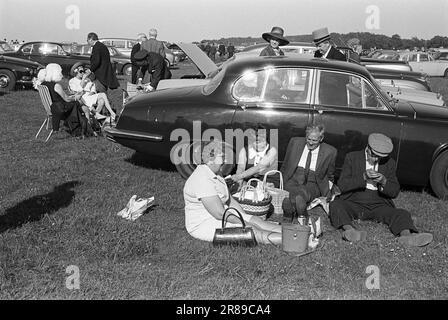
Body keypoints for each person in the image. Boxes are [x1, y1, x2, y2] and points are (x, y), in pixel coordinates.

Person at [329, 133, 433, 247]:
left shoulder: (389, 163)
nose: (376, 159)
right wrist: (363, 177)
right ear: (368, 148)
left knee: (402, 213)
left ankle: (407, 237)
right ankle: (350, 231)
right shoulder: (352, 157)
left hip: (379, 204)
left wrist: (384, 181)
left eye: (380, 157)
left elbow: (394, 192)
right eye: (374, 155)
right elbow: (342, 185)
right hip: (354, 201)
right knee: (336, 205)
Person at [183, 140, 282, 244]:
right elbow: (219, 214)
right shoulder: (202, 179)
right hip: (204, 223)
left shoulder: (216, 173)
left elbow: (229, 200)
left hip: (222, 213)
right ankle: (291, 239)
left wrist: (245, 217)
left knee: (257, 221)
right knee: (252, 231)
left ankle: (294, 232)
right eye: (221, 156)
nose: (225, 160)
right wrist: (244, 223)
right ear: (210, 160)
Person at [280, 124, 337, 223]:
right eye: (308, 139)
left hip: (314, 181)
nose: (310, 143)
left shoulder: (330, 151)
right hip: (294, 176)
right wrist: (279, 180)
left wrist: (328, 191)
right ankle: (300, 211)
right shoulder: (295, 142)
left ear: (321, 138)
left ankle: (290, 212)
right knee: (293, 188)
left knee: (304, 191)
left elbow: (330, 174)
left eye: (314, 140)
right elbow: (285, 164)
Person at [38, 63, 91, 137]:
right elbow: (67, 99)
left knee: (76, 104)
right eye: (60, 73)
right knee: (77, 104)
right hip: (60, 109)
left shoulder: (43, 84)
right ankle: (81, 129)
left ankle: (80, 129)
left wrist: (73, 96)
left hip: (50, 109)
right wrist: (75, 97)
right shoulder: (56, 86)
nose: (61, 75)